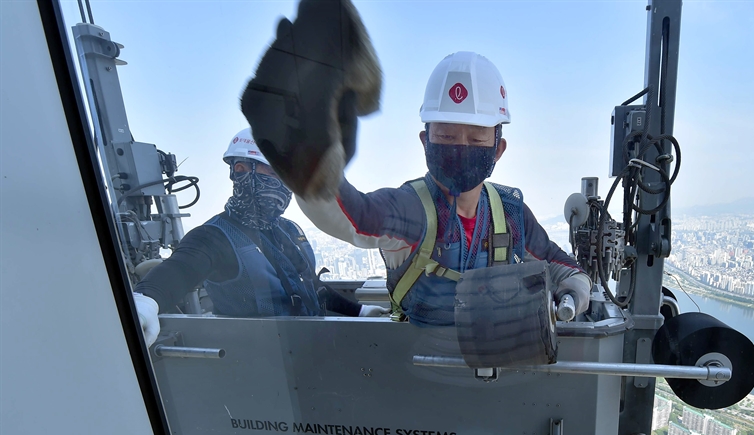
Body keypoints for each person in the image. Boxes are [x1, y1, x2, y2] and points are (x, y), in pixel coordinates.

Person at [243, 43, 592, 326]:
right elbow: (351, 214)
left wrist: (573, 292)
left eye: (476, 137)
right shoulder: (412, 210)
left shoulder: (510, 212)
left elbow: (562, 266)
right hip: (418, 375)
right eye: (447, 135)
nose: (460, 147)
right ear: (426, 141)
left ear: (498, 148)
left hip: (496, 374)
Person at [132, 128, 386, 346]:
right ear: (242, 170)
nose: (285, 186)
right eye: (276, 174)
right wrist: (147, 300)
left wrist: (360, 311)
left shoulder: (289, 230)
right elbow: (180, 269)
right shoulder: (214, 237)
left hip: (312, 352)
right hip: (260, 365)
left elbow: (311, 288)